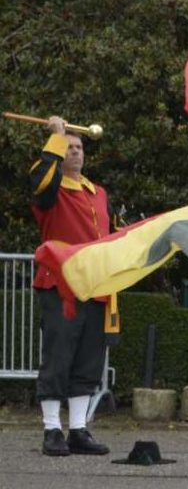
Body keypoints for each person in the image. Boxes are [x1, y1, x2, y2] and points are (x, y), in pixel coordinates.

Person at [27, 116, 117, 457]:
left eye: (78, 147)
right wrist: (57, 137)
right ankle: (52, 430)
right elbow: (39, 181)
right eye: (70, 148)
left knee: (88, 360)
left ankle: (78, 429)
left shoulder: (99, 193)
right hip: (60, 286)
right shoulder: (49, 190)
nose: (75, 152)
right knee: (58, 357)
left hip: (95, 286)